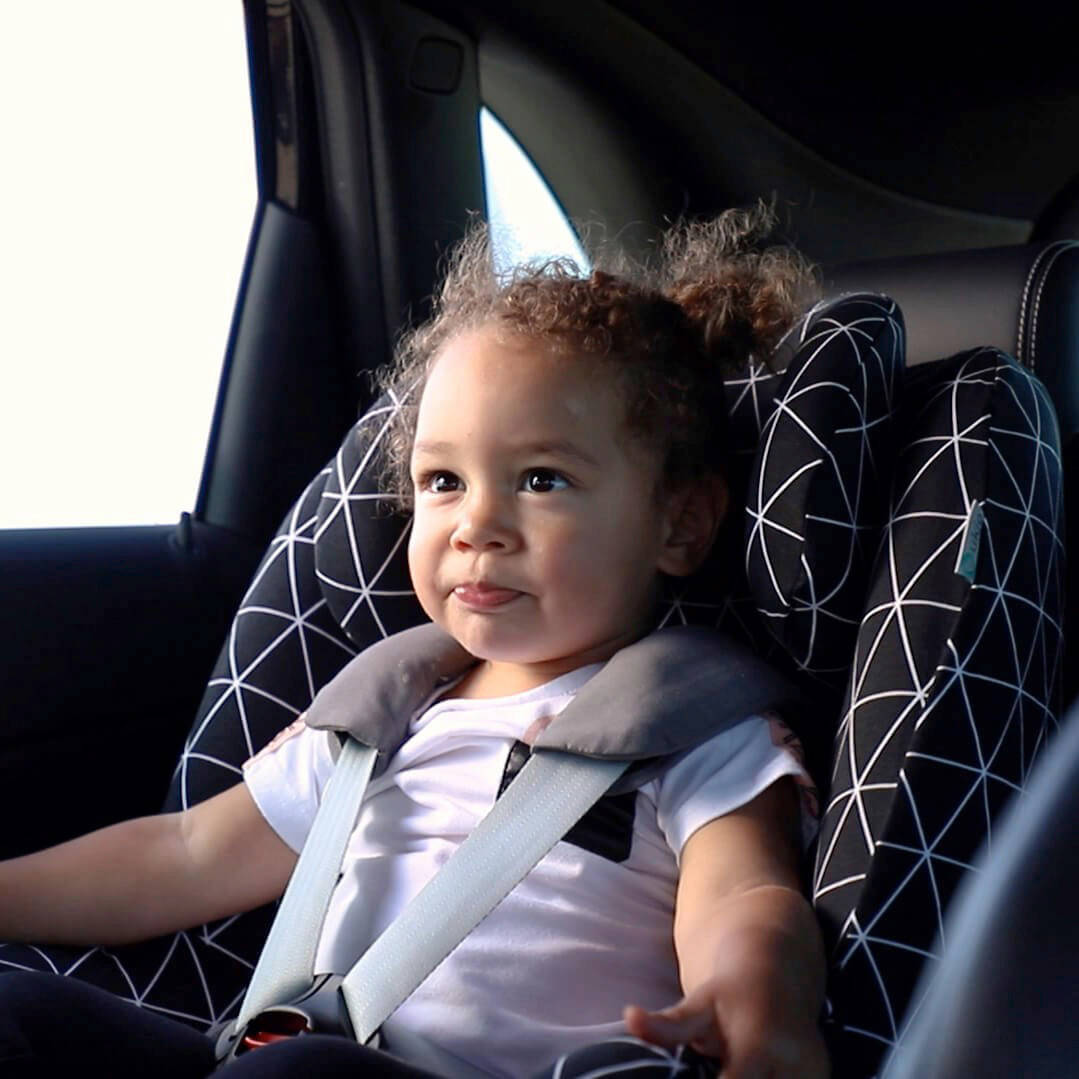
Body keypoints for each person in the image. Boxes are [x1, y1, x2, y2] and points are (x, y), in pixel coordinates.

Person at [0, 205, 829, 1078]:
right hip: (279, 1051)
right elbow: (184, 854)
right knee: (19, 1012)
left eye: (541, 479)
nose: (476, 524)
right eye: (442, 480)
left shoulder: (696, 732)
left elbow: (744, 893)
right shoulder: (385, 718)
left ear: (680, 522)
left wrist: (754, 995)